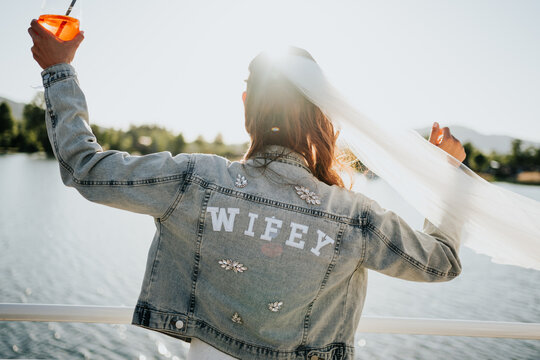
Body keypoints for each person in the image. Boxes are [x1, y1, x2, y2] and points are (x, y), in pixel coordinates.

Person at [29, 19, 465, 360]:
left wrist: (58, 71)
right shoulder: (356, 218)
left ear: (246, 106)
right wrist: (447, 175)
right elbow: (442, 262)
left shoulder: (193, 181)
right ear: (322, 115)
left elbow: (84, 167)